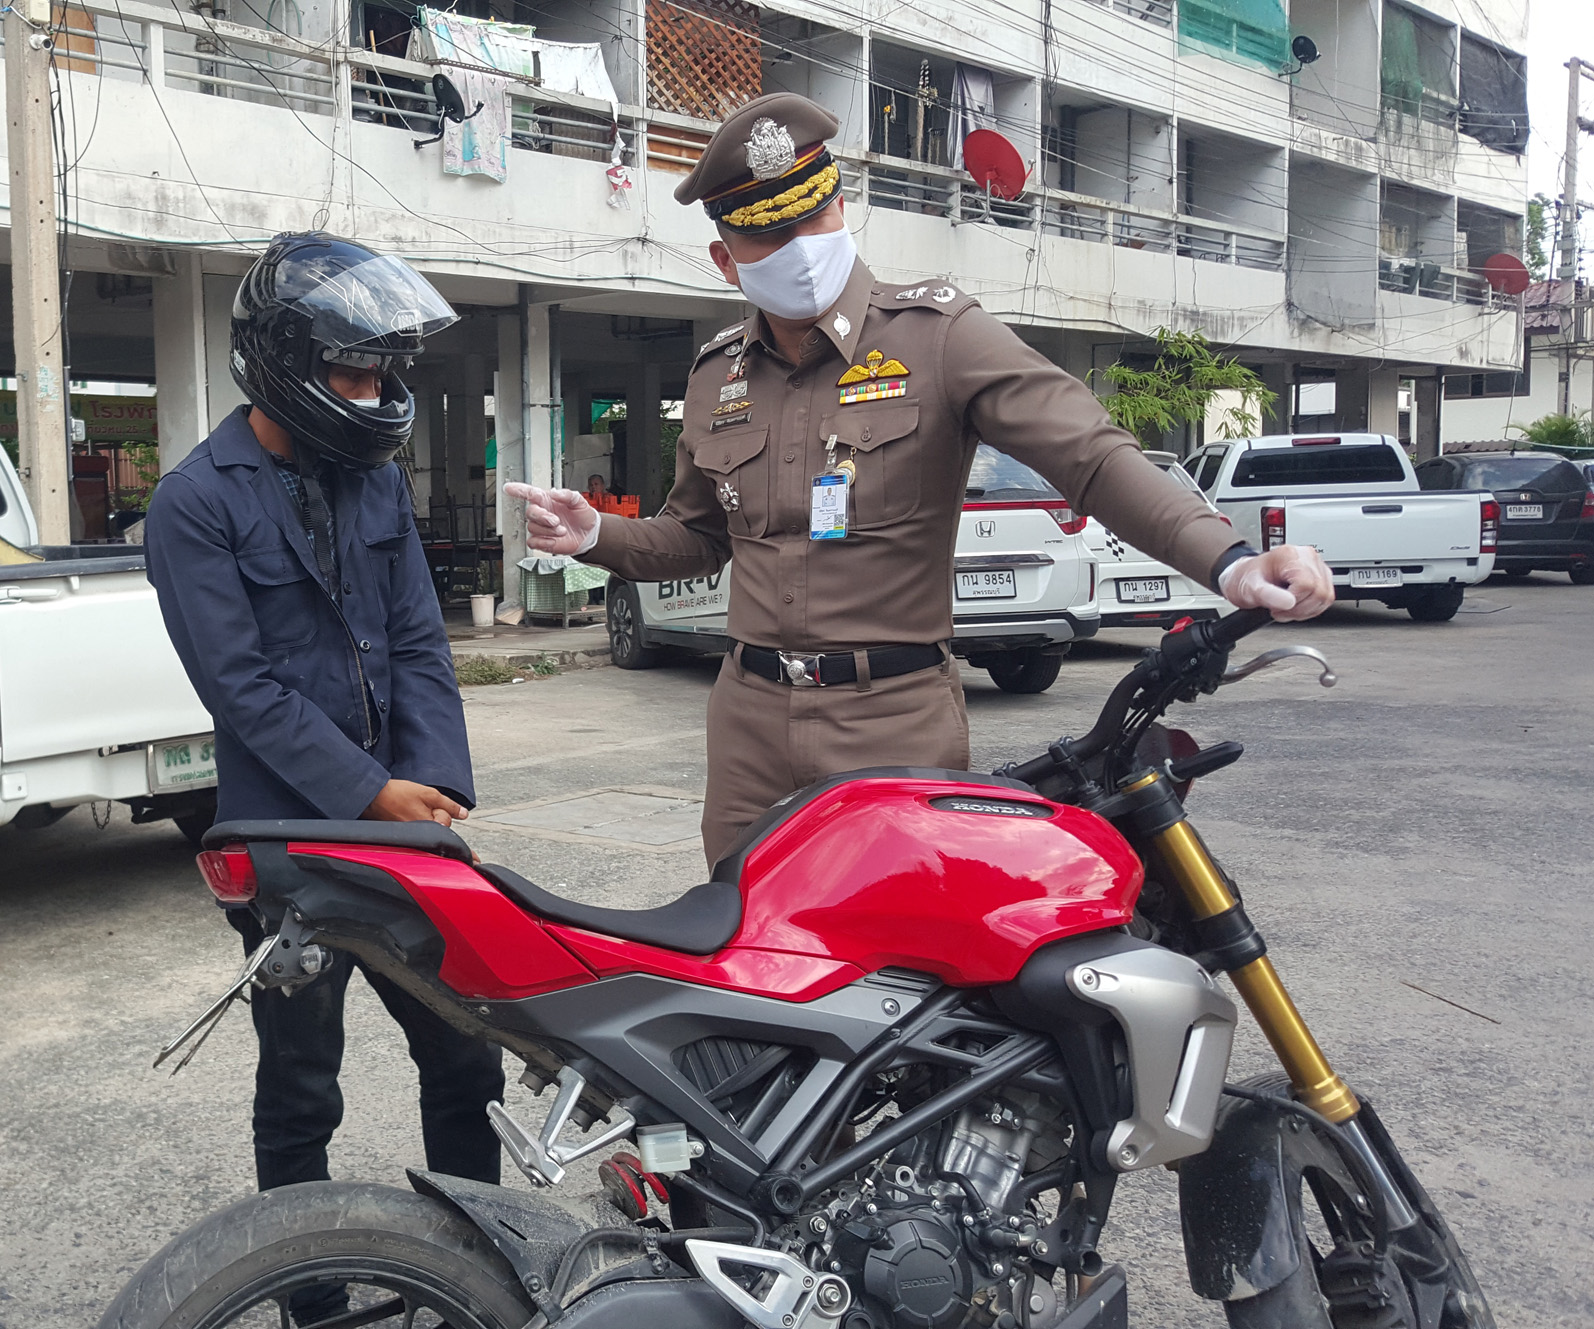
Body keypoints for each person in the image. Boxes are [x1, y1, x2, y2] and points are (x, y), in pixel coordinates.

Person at [507, 93, 1333, 863]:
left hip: (893, 720)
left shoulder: (939, 337)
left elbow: (1091, 454)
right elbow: (698, 536)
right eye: (770, 234)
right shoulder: (716, 376)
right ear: (729, 260)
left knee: (902, 951)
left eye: (813, 215)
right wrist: (597, 534)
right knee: (745, 948)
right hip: (748, 725)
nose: (800, 247)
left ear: (841, 207)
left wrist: (1229, 561)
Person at [144, 233, 504, 1319]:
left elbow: (420, 642)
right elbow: (243, 689)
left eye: (382, 373)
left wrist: (431, 789)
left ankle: (477, 1274)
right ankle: (313, 1301)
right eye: (352, 373)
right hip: (289, 841)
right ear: (285, 364)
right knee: (302, 1083)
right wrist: (371, 796)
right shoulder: (196, 501)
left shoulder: (374, 480)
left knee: (465, 1057)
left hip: (406, 833)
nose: (372, 394)